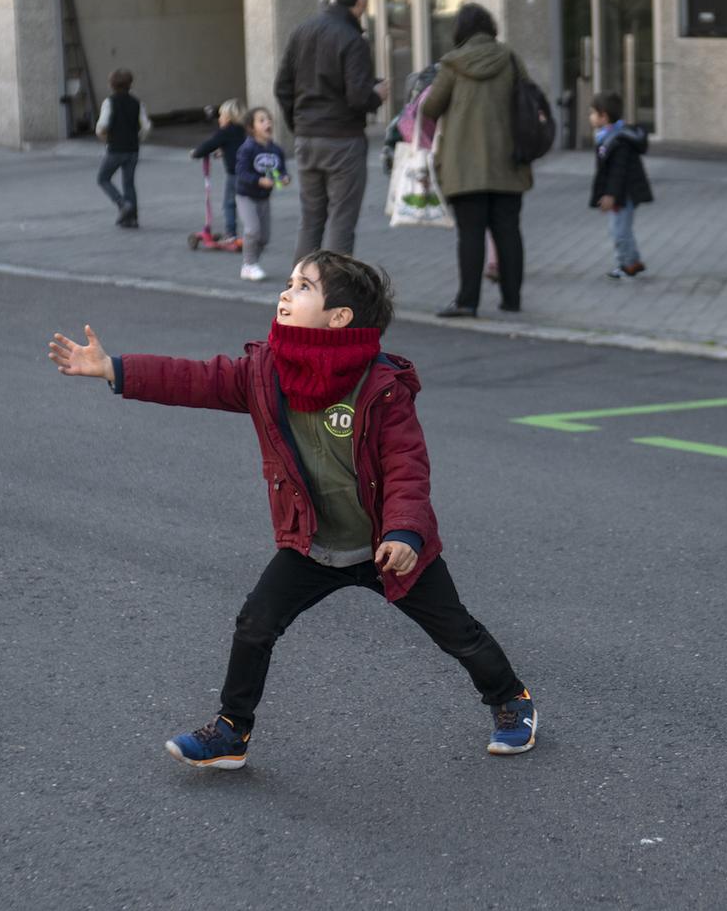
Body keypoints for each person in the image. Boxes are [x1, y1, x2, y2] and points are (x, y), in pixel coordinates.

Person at [46, 250, 538, 768]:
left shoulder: (380, 388)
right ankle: (232, 731)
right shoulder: (266, 371)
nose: (285, 292)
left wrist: (405, 533)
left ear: (340, 317)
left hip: (386, 547)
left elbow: (406, 467)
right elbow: (194, 379)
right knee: (256, 623)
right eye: (289, 282)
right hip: (314, 545)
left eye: (303, 286)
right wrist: (113, 369)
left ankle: (511, 700)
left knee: (455, 631)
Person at [422, 3, 532, 317]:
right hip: (509, 160)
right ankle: (512, 300)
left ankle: (468, 301)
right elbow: (528, 95)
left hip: (464, 165)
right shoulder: (510, 58)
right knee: (508, 230)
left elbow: (430, 108)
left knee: (470, 233)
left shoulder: (453, 64)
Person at [276, 0, 386, 260]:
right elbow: (358, 96)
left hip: (307, 138)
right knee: (341, 221)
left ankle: (300, 291)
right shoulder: (352, 39)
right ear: (361, 0)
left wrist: (298, 124)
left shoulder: (302, 31)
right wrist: (379, 95)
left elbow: (281, 87)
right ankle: (334, 292)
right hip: (343, 141)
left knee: (310, 220)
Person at [588, 91, 652, 280]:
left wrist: (610, 195)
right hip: (621, 193)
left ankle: (627, 265)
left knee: (620, 231)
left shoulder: (618, 140)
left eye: (592, 113)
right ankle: (631, 261)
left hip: (625, 193)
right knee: (620, 229)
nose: (590, 117)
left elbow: (618, 172)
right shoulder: (607, 137)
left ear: (603, 116)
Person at [234, 107, 290, 282]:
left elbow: (281, 170)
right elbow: (241, 173)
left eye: (269, 119)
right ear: (252, 128)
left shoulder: (276, 150)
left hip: (264, 198)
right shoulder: (247, 149)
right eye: (262, 120)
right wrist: (258, 180)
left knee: (264, 237)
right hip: (246, 196)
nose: (268, 123)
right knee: (252, 230)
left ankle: (251, 263)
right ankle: (249, 264)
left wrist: (285, 177)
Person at [95, 68, 149, 228]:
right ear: (130, 84)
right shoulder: (137, 102)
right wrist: (139, 138)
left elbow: (102, 126)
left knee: (103, 178)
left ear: (111, 85)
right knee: (129, 183)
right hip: (133, 149)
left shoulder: (109, 102)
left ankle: (122, 204)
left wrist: (104, 137)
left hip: (115, 148)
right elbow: (146, 126)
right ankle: (132, 218)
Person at [193, 99, 248, 242]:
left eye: (221, 116)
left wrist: (196, 153)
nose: (219, 119)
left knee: (229, 204)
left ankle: (231, 234)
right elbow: (237, 147)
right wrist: (224, 151)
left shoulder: (225, 131)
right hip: (249, 172)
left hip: (235, 174)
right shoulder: (243, 130)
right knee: (247, 203)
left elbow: (209, 145)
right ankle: (254, 232)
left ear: (228, 117)